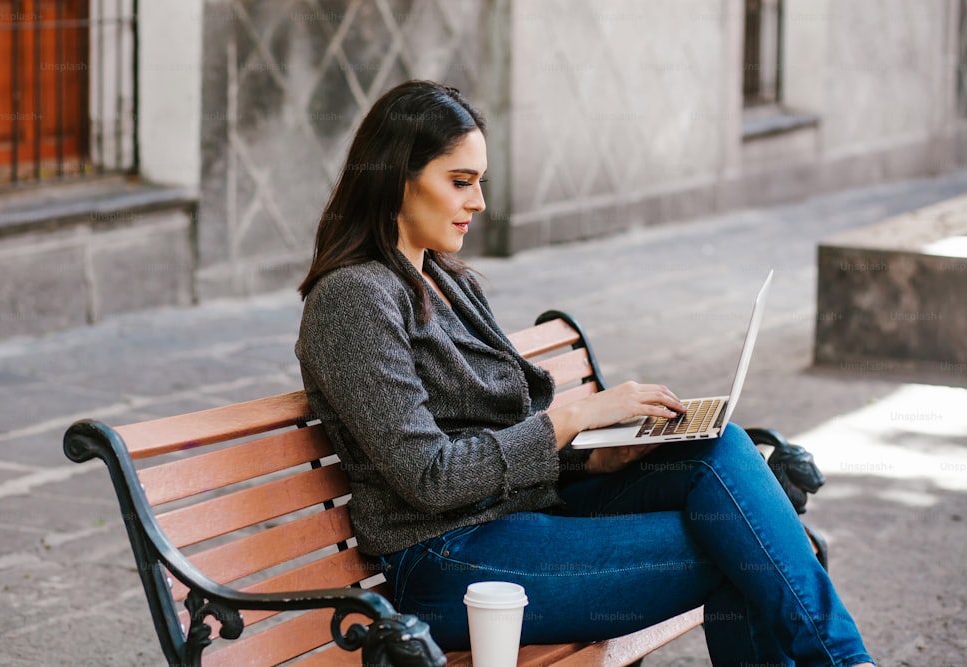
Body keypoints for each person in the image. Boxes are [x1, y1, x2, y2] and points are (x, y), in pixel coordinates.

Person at [296, 80, 875, 667]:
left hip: (524, 519)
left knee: (715, 447)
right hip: (447, 561)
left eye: (480, 183)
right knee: (743, 551)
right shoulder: (353, 299)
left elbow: (505, 428)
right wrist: (571, 419)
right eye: (460, 182)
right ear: (397, 177)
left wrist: (595, 456)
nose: (479, 203)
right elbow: (430, 477)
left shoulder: (450, 282)